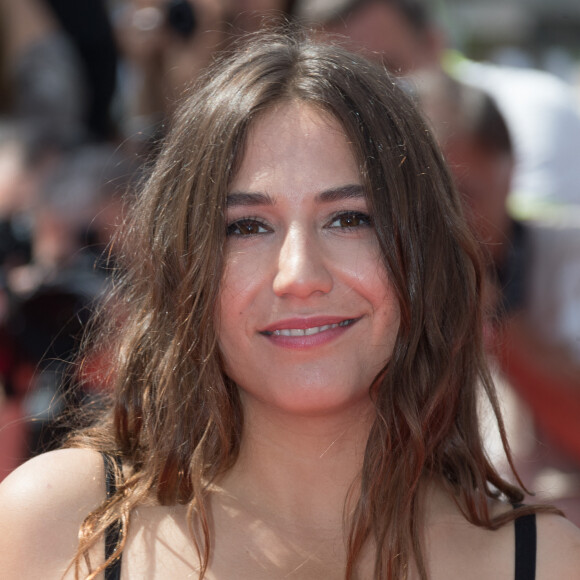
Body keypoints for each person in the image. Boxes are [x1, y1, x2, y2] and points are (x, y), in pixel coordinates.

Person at [0, 30, 579, 580]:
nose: (299, 274)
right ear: (184, 268)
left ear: (426, 257)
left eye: (351, 219)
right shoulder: (56, 524)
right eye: (247, 226)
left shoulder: (541, 561)